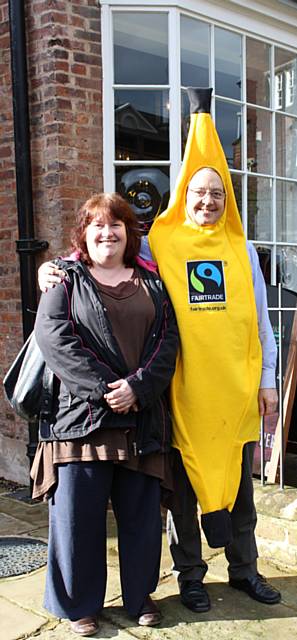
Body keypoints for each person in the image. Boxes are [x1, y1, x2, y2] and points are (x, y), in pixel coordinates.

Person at [38, 87, 281, 614]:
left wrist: (269, 382)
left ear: (228, 198)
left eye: (218, 193)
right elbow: (104, 249)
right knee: (183, 495)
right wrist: (51, 268)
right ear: (184, 195)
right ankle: (190, 576)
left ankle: (245, 570)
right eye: (199, 192)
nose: (208, 201)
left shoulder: (244, 251)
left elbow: (262, 322)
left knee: (240, 492)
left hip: (235, 393)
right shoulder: (158, 244)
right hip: (178, 394)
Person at [32, 193, 179, 636]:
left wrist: (137, 388)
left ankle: (140, 596)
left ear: (129, 233)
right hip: (81, 421)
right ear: (84, 233)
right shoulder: (63, 279)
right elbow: (53, 338)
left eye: (116, 224)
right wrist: (104, 391)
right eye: (97, 225)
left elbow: (168, 340)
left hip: (139, 417)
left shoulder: (153, 280)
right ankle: (80, 604)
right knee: (78, 518)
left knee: (140, 516)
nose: (107, 232)